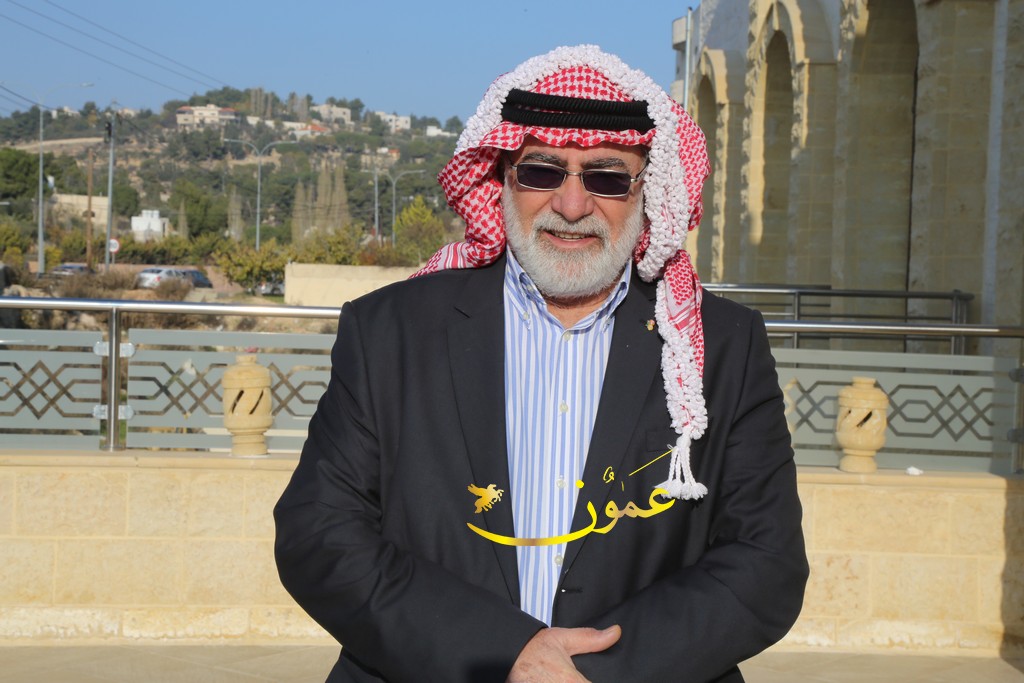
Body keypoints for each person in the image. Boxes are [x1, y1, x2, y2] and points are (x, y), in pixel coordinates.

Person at [275, 45, 808, 683]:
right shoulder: (390, 331)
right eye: (542, 172)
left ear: (647, 191)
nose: (573, 205)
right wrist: (506, 653)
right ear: (503, 178)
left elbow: (766, 562)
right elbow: (319, 534)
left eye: (606, 177)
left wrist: (587, 672)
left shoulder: (722, 345)